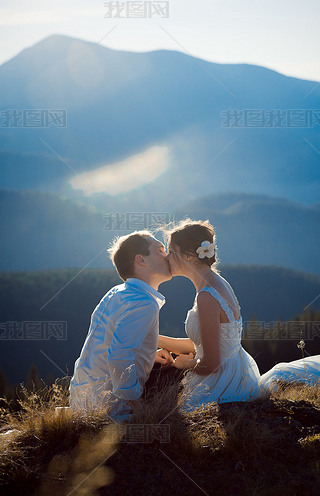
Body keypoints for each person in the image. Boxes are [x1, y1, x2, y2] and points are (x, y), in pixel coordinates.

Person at [159, 219, 320, 411]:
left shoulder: (206, 296)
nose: (167, 257)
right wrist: (156, 340)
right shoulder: (218, 284)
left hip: (221, 383)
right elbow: (203, 344)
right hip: (235, 371)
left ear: (189, 256)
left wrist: (184, 364)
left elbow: (211, 364)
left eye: (171, 251)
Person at [69, 230, 173, 420]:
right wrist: (138, 406)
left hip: (81, 399)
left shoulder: (116, 292)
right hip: (109, 408)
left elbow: (106, 342)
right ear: (141, 260)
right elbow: (118, 358)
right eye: (161, 249)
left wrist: (149, 354)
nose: (168, 255)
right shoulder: (144, 302)